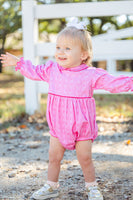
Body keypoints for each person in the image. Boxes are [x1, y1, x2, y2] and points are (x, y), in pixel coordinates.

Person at [0, 18, 133, 200]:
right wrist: (19, 62)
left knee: (84, 158)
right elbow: (35, 71)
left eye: (68, 48)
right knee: (54, 157)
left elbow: (113, 83)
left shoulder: (90, 74)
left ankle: (92, 187)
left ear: (83, 54)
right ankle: (51, 186)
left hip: (82, 125)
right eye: (58, 47)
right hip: (59, 124)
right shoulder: (52, 69)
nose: (61, 52)